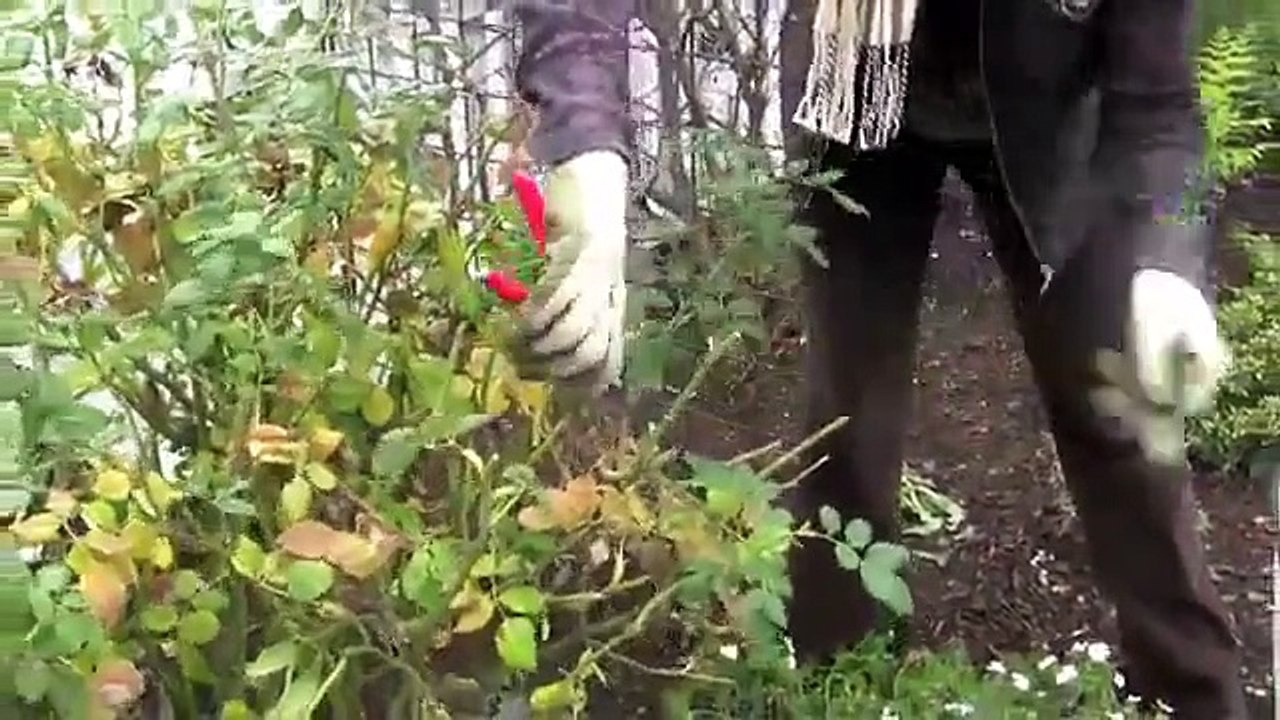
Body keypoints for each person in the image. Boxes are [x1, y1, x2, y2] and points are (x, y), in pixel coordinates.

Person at [510, 0, 1248, 716]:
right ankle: (841, 687)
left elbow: (1159, 103)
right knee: (848, 423)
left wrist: (1163, 259)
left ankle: (1193, 695)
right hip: (856, 85)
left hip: (1049, 110)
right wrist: (587, 149)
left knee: (1118, 410)